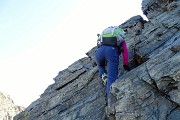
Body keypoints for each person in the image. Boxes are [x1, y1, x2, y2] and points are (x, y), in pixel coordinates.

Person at [95, 27, 130, 106]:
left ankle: (103, 75)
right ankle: (110, 101)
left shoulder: (104, 36)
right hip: (111, 52)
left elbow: (99, 44)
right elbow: (125, 51)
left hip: (98, 53)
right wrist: (126, 64)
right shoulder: (121, 39)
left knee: (100, 65)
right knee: (112, 78)